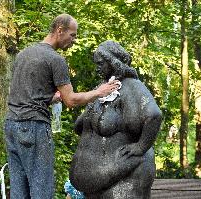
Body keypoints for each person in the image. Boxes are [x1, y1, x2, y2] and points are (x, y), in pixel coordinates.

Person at [4, 14, 119, 199]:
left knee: (19, 190)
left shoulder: (23, 54)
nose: (74, 40)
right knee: (41, 189)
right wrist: (100, 92)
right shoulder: (55, 59)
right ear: (60, 30)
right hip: (34, 128)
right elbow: (71, 100)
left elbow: (21, 95)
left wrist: (49, 99)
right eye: (72, 35)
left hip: (11, 126)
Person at [69, 40, 162, 198]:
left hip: (124, 178)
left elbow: (154, 115)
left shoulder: (133, 86)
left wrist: (140, 147)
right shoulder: (102, 89)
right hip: (96, 184)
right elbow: (79, 126)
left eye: (100, 64)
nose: (97, 68)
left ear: (113, 62)